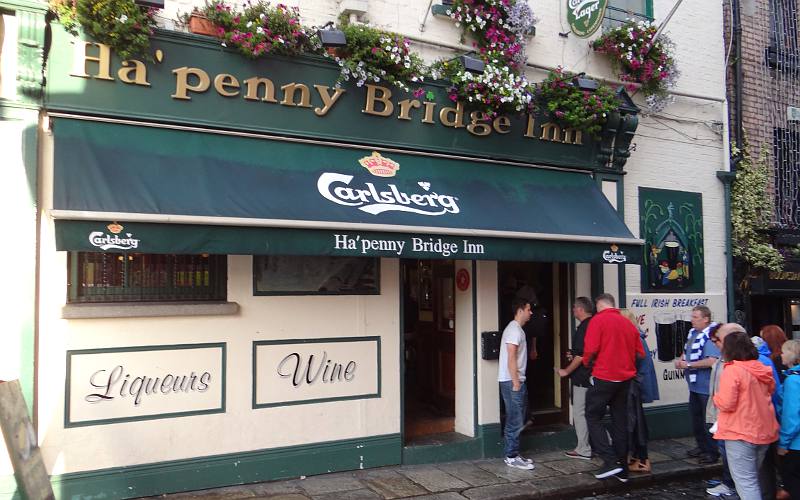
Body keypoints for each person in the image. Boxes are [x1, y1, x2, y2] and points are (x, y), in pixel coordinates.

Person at [582, 294, 645, 482]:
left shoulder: (598, 320)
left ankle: (610, 461)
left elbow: (590, 349)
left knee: (592, 416)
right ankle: (623, 468)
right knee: (620, 422)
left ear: (599, 305)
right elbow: (640, 353)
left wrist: (587, 363)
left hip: (604, 376)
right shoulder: (627, 323)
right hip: (625, 379)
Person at [713, 331, 780, 500]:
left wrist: (716, 398)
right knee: (752, 478)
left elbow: (727, 403)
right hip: (764, 430)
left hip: (740, 431)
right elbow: (771, 391)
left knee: (746, 482)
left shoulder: (733, 370)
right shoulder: (762, 368)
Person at [674, 305, 720, 464]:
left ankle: (712, 452)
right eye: (692, 316)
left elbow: (712, 360)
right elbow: (687, 351)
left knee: (708, 420)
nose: (691, 320)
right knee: (696, 418)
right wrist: (682, 359)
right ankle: (702, 446)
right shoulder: (693, 333)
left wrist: (688, 365)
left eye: (695, 317)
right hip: (694, 386)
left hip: (705, 386)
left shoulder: (710, 336)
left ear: (706, 319)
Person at [705, 323, 745, 497]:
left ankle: (731, 485)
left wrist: (719, 402)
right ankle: (729, 482)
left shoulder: (737, 362)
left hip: (731, 419)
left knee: (731, 456)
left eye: (718, 340)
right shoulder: (723, 358)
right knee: (725, 452)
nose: (715, 344)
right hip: (720, 416)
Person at [620, 309, 659, 473]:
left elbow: (633, 362)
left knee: (636, 425)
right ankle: (637, 457)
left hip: (635, 387)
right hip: (637, 385)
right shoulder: (637, 336)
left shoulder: (634, 338)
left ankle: (643, 460)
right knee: (635, 423)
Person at [498, 297, 535, 470]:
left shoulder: (517, 330)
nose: (531, 312)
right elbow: (511, 356)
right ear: (520, 310)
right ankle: (511, 456)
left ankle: (513, 453)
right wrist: (515, 382)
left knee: (518, 417)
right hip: (512, 381)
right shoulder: (514, 330)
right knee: (515, 418)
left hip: (515, 380)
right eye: (528, 309)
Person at [556, 297, 593, 461]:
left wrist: (566, 371)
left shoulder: (583, 328)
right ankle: (607, 444)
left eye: (574, 308)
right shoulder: (594, 325)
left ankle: (583, 449)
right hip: (594, 377)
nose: (572, 311)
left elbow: (581, 356)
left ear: (580, 310)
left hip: (582, 377)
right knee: (592, 413)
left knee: (579, 413)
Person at [751, 336, 783, 500]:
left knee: (767, 464)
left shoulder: (759, 362)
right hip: (769, 419)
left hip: (764, 421)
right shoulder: (765, 360)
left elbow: (773, 391)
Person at [778, 339, 800, 500]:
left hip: (796, 444)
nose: (781, 355)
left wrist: (783, 443)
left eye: (784, 352)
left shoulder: (793, 381)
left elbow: (791, 417)